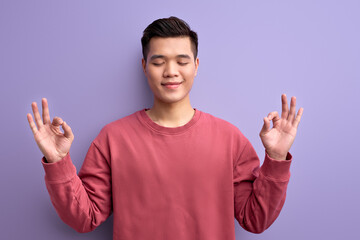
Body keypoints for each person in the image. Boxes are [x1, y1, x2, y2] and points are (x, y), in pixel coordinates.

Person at [27, 16, 303, 240]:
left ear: (195, 67)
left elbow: (255, 220)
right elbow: (84, 218)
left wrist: (277, 160)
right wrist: (58, 161)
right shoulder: (113, 138)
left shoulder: (230, 138)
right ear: (145, 66)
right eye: (159, 62)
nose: (171, 71)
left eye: (182, 62)